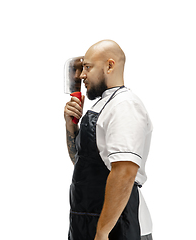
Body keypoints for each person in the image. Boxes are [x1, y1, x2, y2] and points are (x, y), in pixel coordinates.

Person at [64, 40, 153, 240]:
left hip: (121, 227)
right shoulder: (104, 104)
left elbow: (125, 172)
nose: (81, 75)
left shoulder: (124, 105)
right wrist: (71, 127)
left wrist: (103, 232)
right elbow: (82, 164)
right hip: (89, 224)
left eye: (88, 67)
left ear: (110, 66)